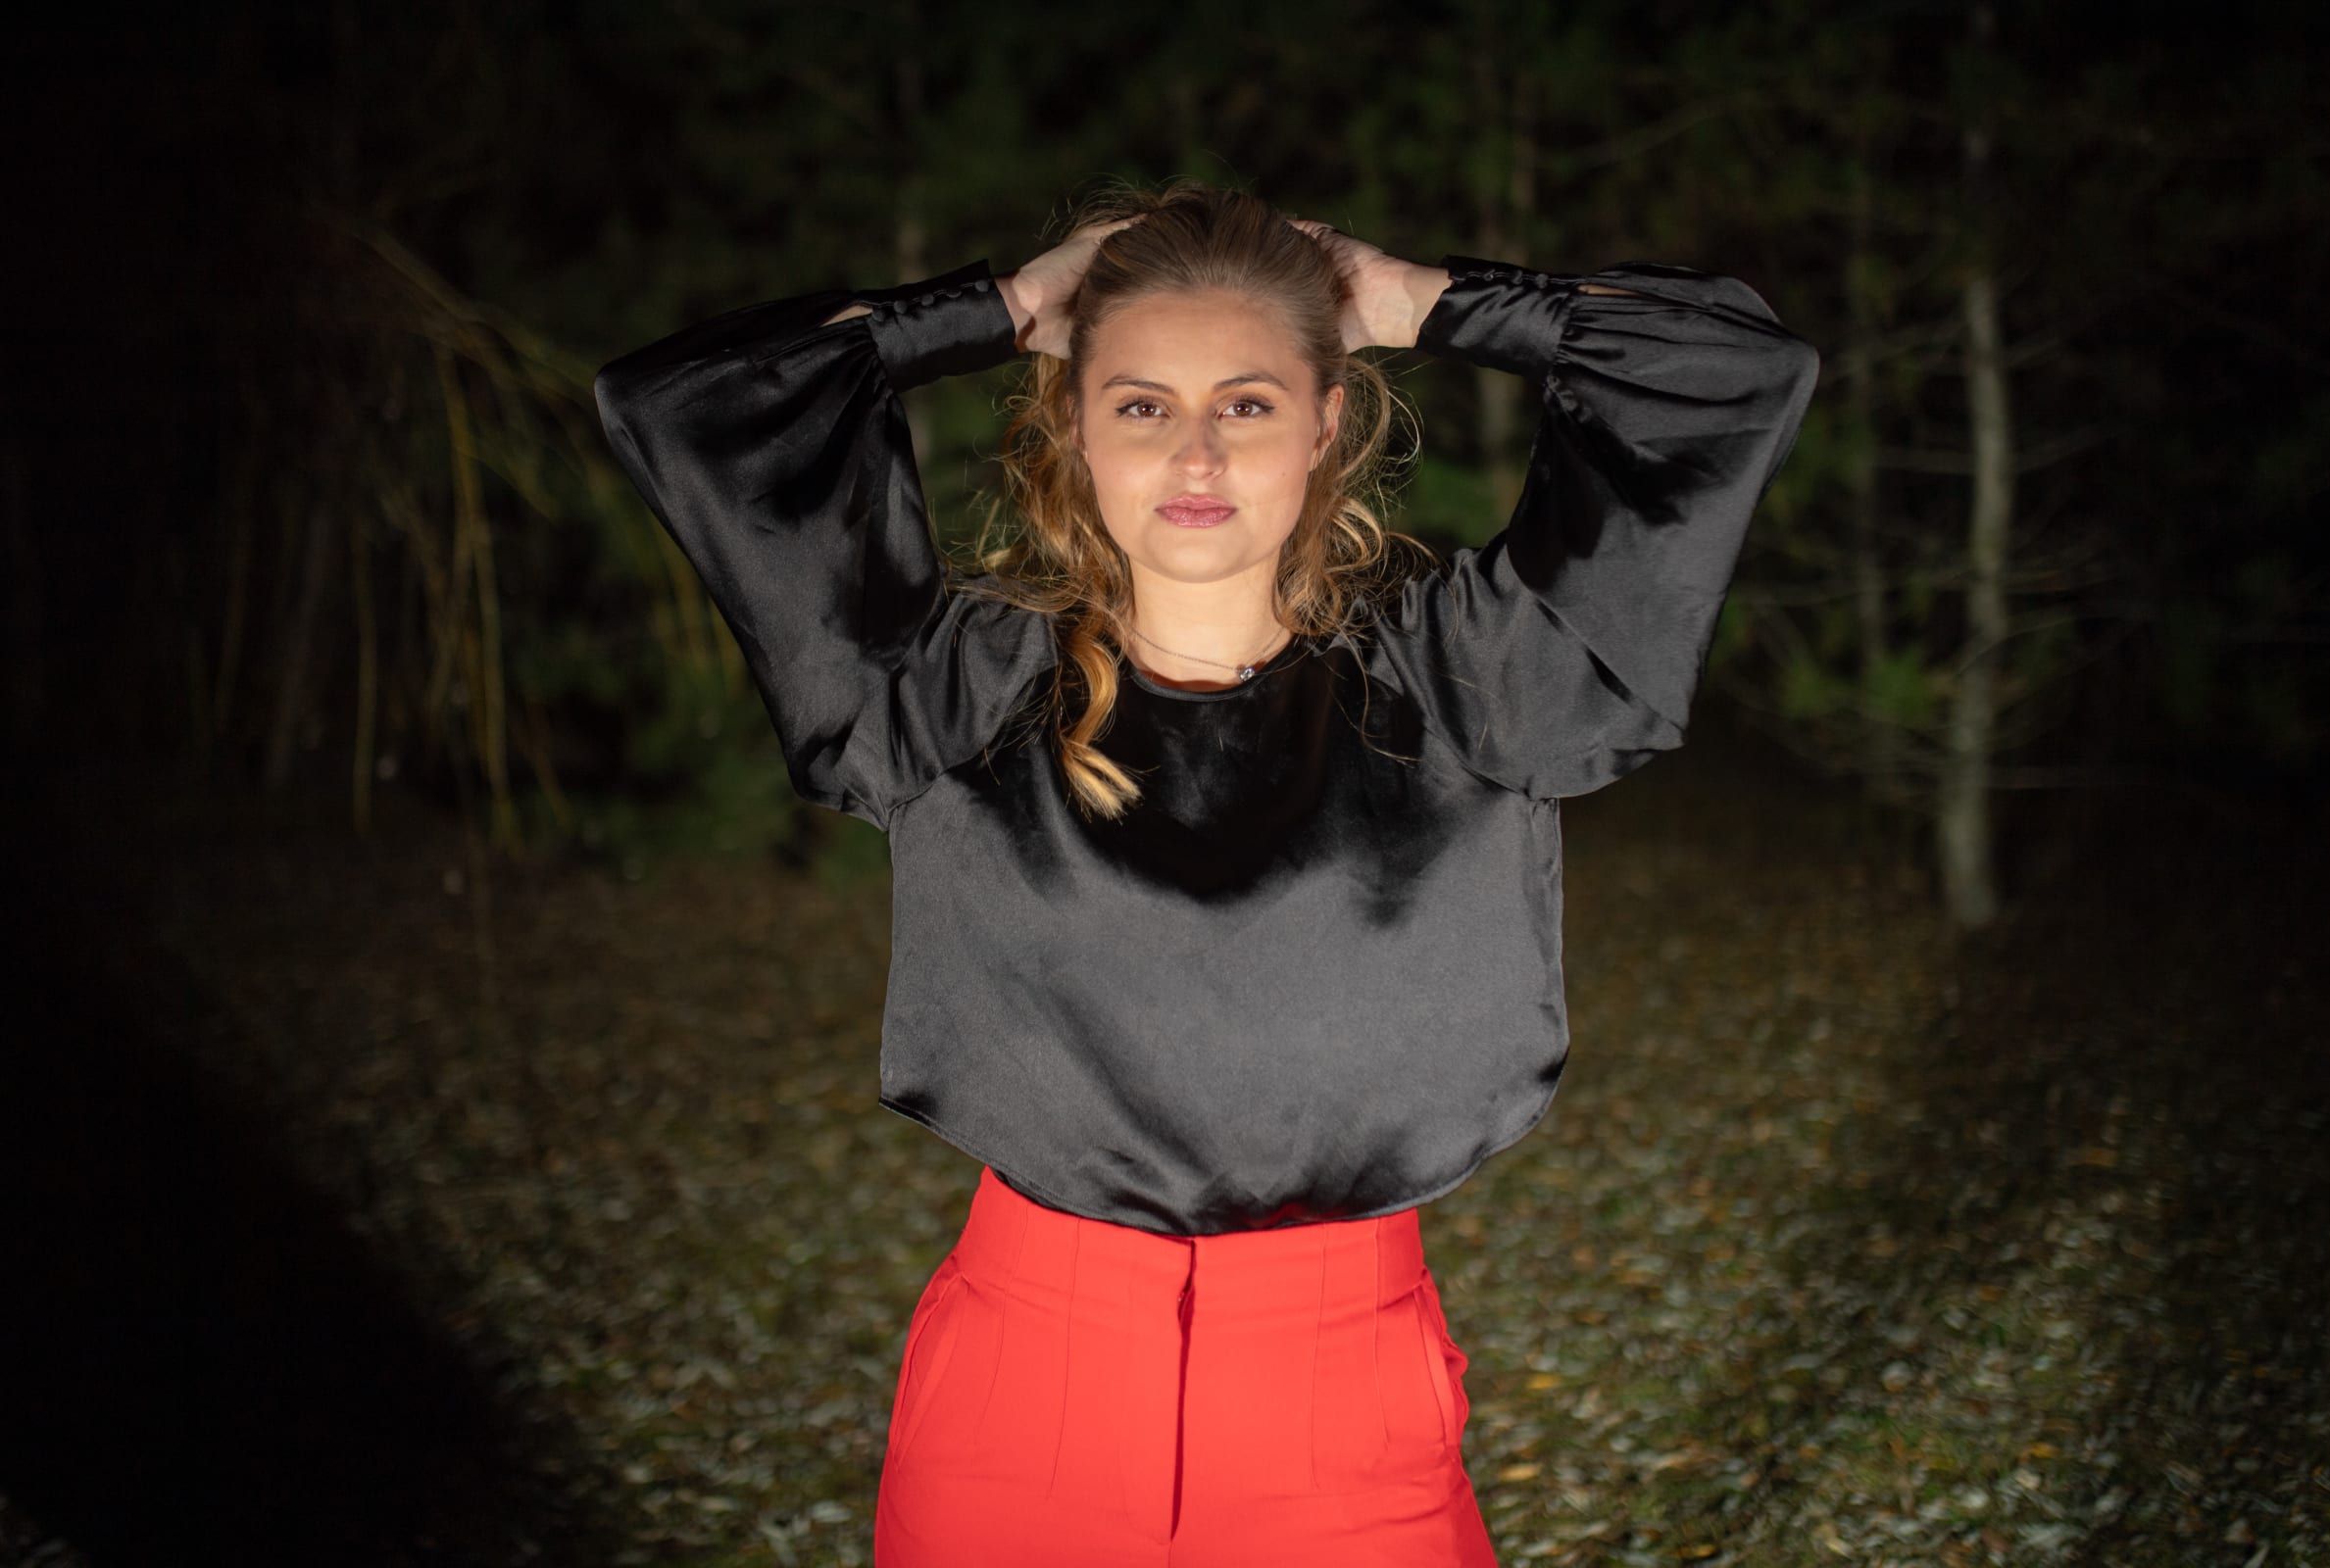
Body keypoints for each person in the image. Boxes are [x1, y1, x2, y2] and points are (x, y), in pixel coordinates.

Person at [593, 178, 1818, 1566]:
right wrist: (998, 307)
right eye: (1140, 405)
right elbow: (684, 404)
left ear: (1326, 421)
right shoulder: (953, 694)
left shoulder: (1469, 683)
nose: (1195, 453)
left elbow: (1727, 370)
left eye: (1246, 402)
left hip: (1346, 1417)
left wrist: (1418, 301)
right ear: (1073, 422)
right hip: (1018, 1407)